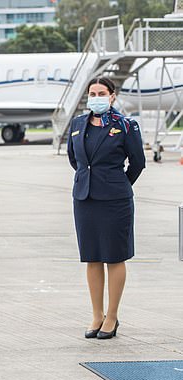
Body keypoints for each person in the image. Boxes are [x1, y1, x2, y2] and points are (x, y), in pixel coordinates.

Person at [67, 76, 145, 340]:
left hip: (114, 200)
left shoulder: (125, 125)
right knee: (92, 257)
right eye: (92, 93)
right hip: (85, 198)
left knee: (114, 256)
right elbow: (74, 159)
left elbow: (138, 162)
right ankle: (96, 314)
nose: (96, 97)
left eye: (101, 93)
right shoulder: (78, 124)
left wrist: (117, 184)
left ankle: (112, 316)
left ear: (112, 96)